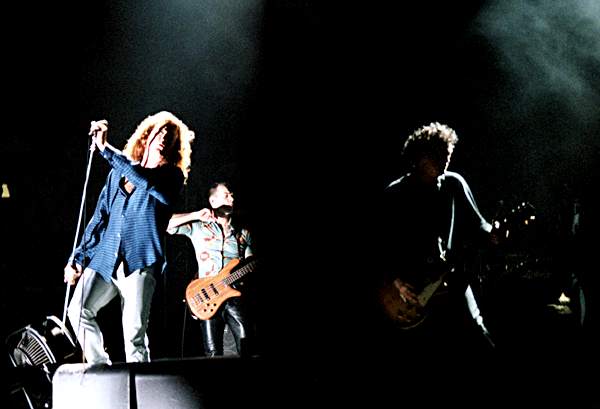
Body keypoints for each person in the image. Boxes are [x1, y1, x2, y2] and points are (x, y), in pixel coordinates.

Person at [64, 111, 195, 365]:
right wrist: (78, 258)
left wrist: (105, 149)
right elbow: (99, 217)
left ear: (174, 147)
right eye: (160, 133)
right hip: (106, 258)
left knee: (133, 337)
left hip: (140, 262)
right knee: (77, 311)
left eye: (170, 138)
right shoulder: (117, 174)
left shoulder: (170, 177)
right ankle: (102, 370)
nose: (164, 139)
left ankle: (139, 396)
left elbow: (146, 182)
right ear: (147, 136)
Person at [376, 122, 496, 364]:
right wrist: (395, 282)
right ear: (419, 156)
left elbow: (481, 227)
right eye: (438, 154)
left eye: (448, 153)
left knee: (480, 341)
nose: (446, 159)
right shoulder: (395, 194)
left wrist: (496, 234)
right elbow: (376, 247)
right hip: (412, 290)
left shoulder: (453, 184)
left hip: (450, 281)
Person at [167, 182, 255, 357]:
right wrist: (195, 215)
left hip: (234, 295)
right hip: (207, 296)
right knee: (213, 353)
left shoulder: (242, 233)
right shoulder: (199, 227)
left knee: (247, 344)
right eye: (226, 195)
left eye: (232, 195)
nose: (232, 198)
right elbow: (167, 224)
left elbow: (250, 260)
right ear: (213, 201)